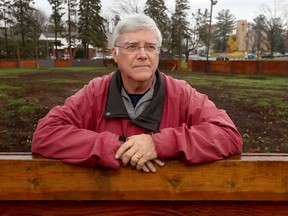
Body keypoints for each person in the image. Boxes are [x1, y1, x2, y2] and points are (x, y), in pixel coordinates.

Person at [31, 14, 242, 173]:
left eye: (150, 47)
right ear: (115, 54)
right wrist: (116, 147)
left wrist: (160, 144)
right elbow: (45, 134)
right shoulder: (95, 93)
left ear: (158, 54)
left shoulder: (181, 94)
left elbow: (228, 135)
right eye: (132, 46)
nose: (143, 55)